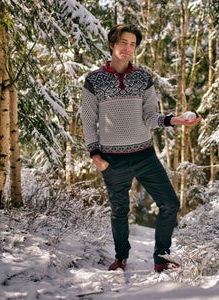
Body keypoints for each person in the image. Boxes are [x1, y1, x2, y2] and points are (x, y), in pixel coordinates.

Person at [80, 24, 201, 273]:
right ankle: (121, 258)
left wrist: (173, 120)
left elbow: (149, 116)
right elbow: (88, 119)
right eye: (123, 42)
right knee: (120, 211)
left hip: (144, 154)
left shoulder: (143, 78)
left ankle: (161, 258)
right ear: (112, 44)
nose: (128, 48)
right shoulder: (94, 80)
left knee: (169, 203)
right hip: (112, 159)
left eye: (133, 44)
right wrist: (95, 154)